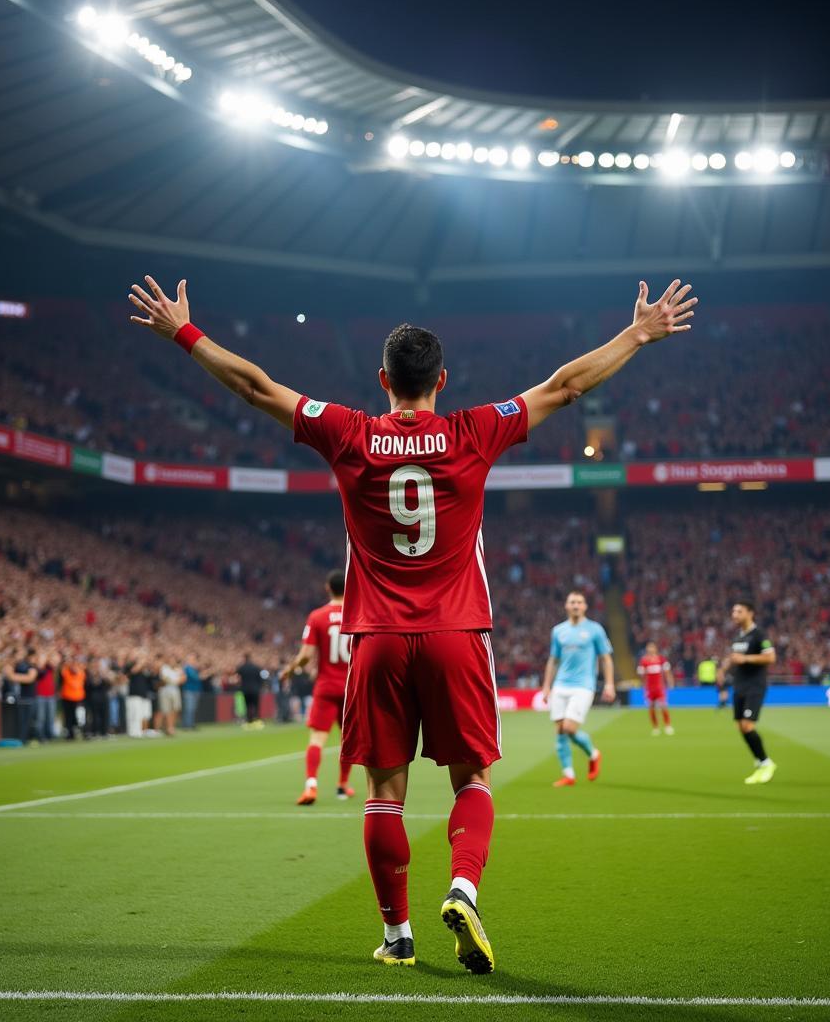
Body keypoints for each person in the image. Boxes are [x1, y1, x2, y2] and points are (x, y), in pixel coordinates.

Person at [128, 271, 695, 972]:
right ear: (443, 380)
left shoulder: (348, 434)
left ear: (382, 379)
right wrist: (640, 332)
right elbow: (565, 385)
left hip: (376, 641)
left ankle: (398, 936)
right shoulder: (474, 430)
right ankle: (462, 887)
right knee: (472, 781)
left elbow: (255, 386)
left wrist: (184, 332)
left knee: (383, 793)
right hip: (458, 635)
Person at [281, 569, 355, 805]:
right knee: (349, 740)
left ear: (327, 588)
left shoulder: (317, 616)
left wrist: (290, 670)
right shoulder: (359, 614)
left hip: (325, 686)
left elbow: (305, 656)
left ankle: (311, 785)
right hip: (351, 687)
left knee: (317, 739)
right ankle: (342, 786)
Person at [540, 591, 616, 786]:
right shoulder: (558, 631)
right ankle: (569, 775)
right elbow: (553, 660)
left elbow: (606, 658)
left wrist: (609, 683)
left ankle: (593, 753)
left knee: (569, 727)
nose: (576, 605)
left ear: (585, 607)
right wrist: (547, 686)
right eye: (572, 602)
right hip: (560, 685)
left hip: (583, 686)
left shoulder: (595, 629)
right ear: (566, 606)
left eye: (579, 602)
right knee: (560, 730)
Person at [720, 599, 777, 785]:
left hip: (755, 685)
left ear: (750, 613)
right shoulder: (738, 637)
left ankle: (766, 763)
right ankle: (759, 759)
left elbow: (770, 657)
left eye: (739, 611)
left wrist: (746, 659)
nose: (734, 615)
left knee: (747, 725)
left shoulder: (759, 634)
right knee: (740, 726)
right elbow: (733, 657)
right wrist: (723, 669)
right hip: (739, 686)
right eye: (733, 612)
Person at [638, 640, 675, 736]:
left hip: (659, 687)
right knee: (651, 708)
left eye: (652, 647)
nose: (650, 649)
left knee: (663, 706)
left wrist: (670, 682)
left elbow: (667, 672)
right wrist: (644, 688)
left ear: (655, 649)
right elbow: (642, 676)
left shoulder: (661, 659)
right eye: (648, 647)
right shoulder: (644, 661)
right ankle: (655, 727)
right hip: (650, 689)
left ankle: (667, 726)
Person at [235, 652, 265, 729]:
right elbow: (260, 679)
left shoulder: (241, 668)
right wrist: (260, 687)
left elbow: (237, 678)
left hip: (245, 689)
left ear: (244, 658)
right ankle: (257, 721)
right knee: (256, 705)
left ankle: (249, 721)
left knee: (247, 706)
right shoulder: (256, 667)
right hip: (255, 689)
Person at [59, 656, 86, 740]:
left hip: (78, 698)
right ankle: (69, 734)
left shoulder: (81, 673)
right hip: (67, 698)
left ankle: (77, 732)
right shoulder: (66, 672)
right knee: (68, 717)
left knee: (77, 718)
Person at [156, 660, 183, 737]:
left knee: (175, 709)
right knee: (166, 710)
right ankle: (168, 728)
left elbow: (183, 678)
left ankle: (171, 726)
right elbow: (165, 679)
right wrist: (175, 681)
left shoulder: (178, 669)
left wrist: (175, 681)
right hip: (165, 691)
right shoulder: (164, 668)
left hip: (175, 691)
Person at [181, 656, 203, 730]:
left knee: (193, 708)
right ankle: (187, 725)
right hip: (189, 690)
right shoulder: (187, 668)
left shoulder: (194, 668)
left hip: (195, 690)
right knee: (188, 708)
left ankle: (191, 723)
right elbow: (196, 677)